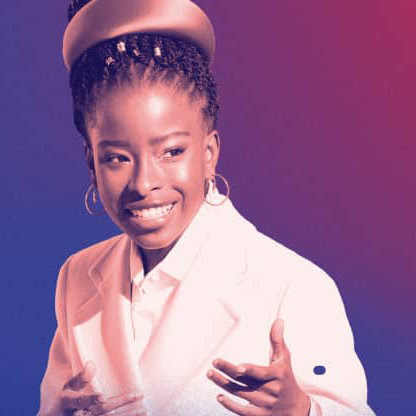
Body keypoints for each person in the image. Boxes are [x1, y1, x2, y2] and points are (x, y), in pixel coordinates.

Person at [38, 1, 376, 415]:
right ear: (91, 162)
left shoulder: (293, 286)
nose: (144, 183)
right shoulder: (76, 279)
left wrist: (301, 409)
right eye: (116, 158)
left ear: (210, 152)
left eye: (172, 151)